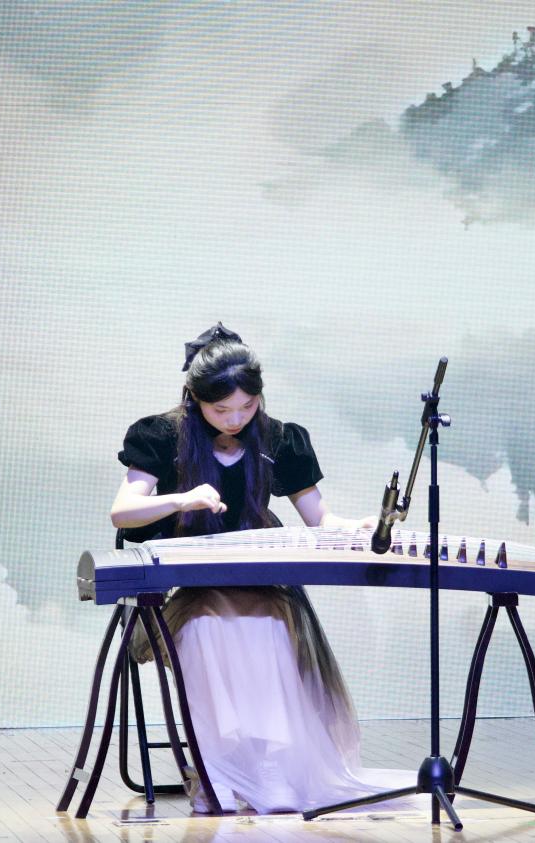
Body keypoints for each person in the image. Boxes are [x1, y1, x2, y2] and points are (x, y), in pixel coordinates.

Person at [109, 323, 414, 814]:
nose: (234, 419)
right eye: (220, 409)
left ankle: (268, 766)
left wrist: (355, 526)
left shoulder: (279, 439)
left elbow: (320, 519)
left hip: (259, 584)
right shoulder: (162, 436)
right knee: (208, 629)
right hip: (189, 591)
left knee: (270, 628)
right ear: (194, 398)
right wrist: (182, 499)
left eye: (247, 406)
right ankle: (214, 768)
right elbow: (123, 512)